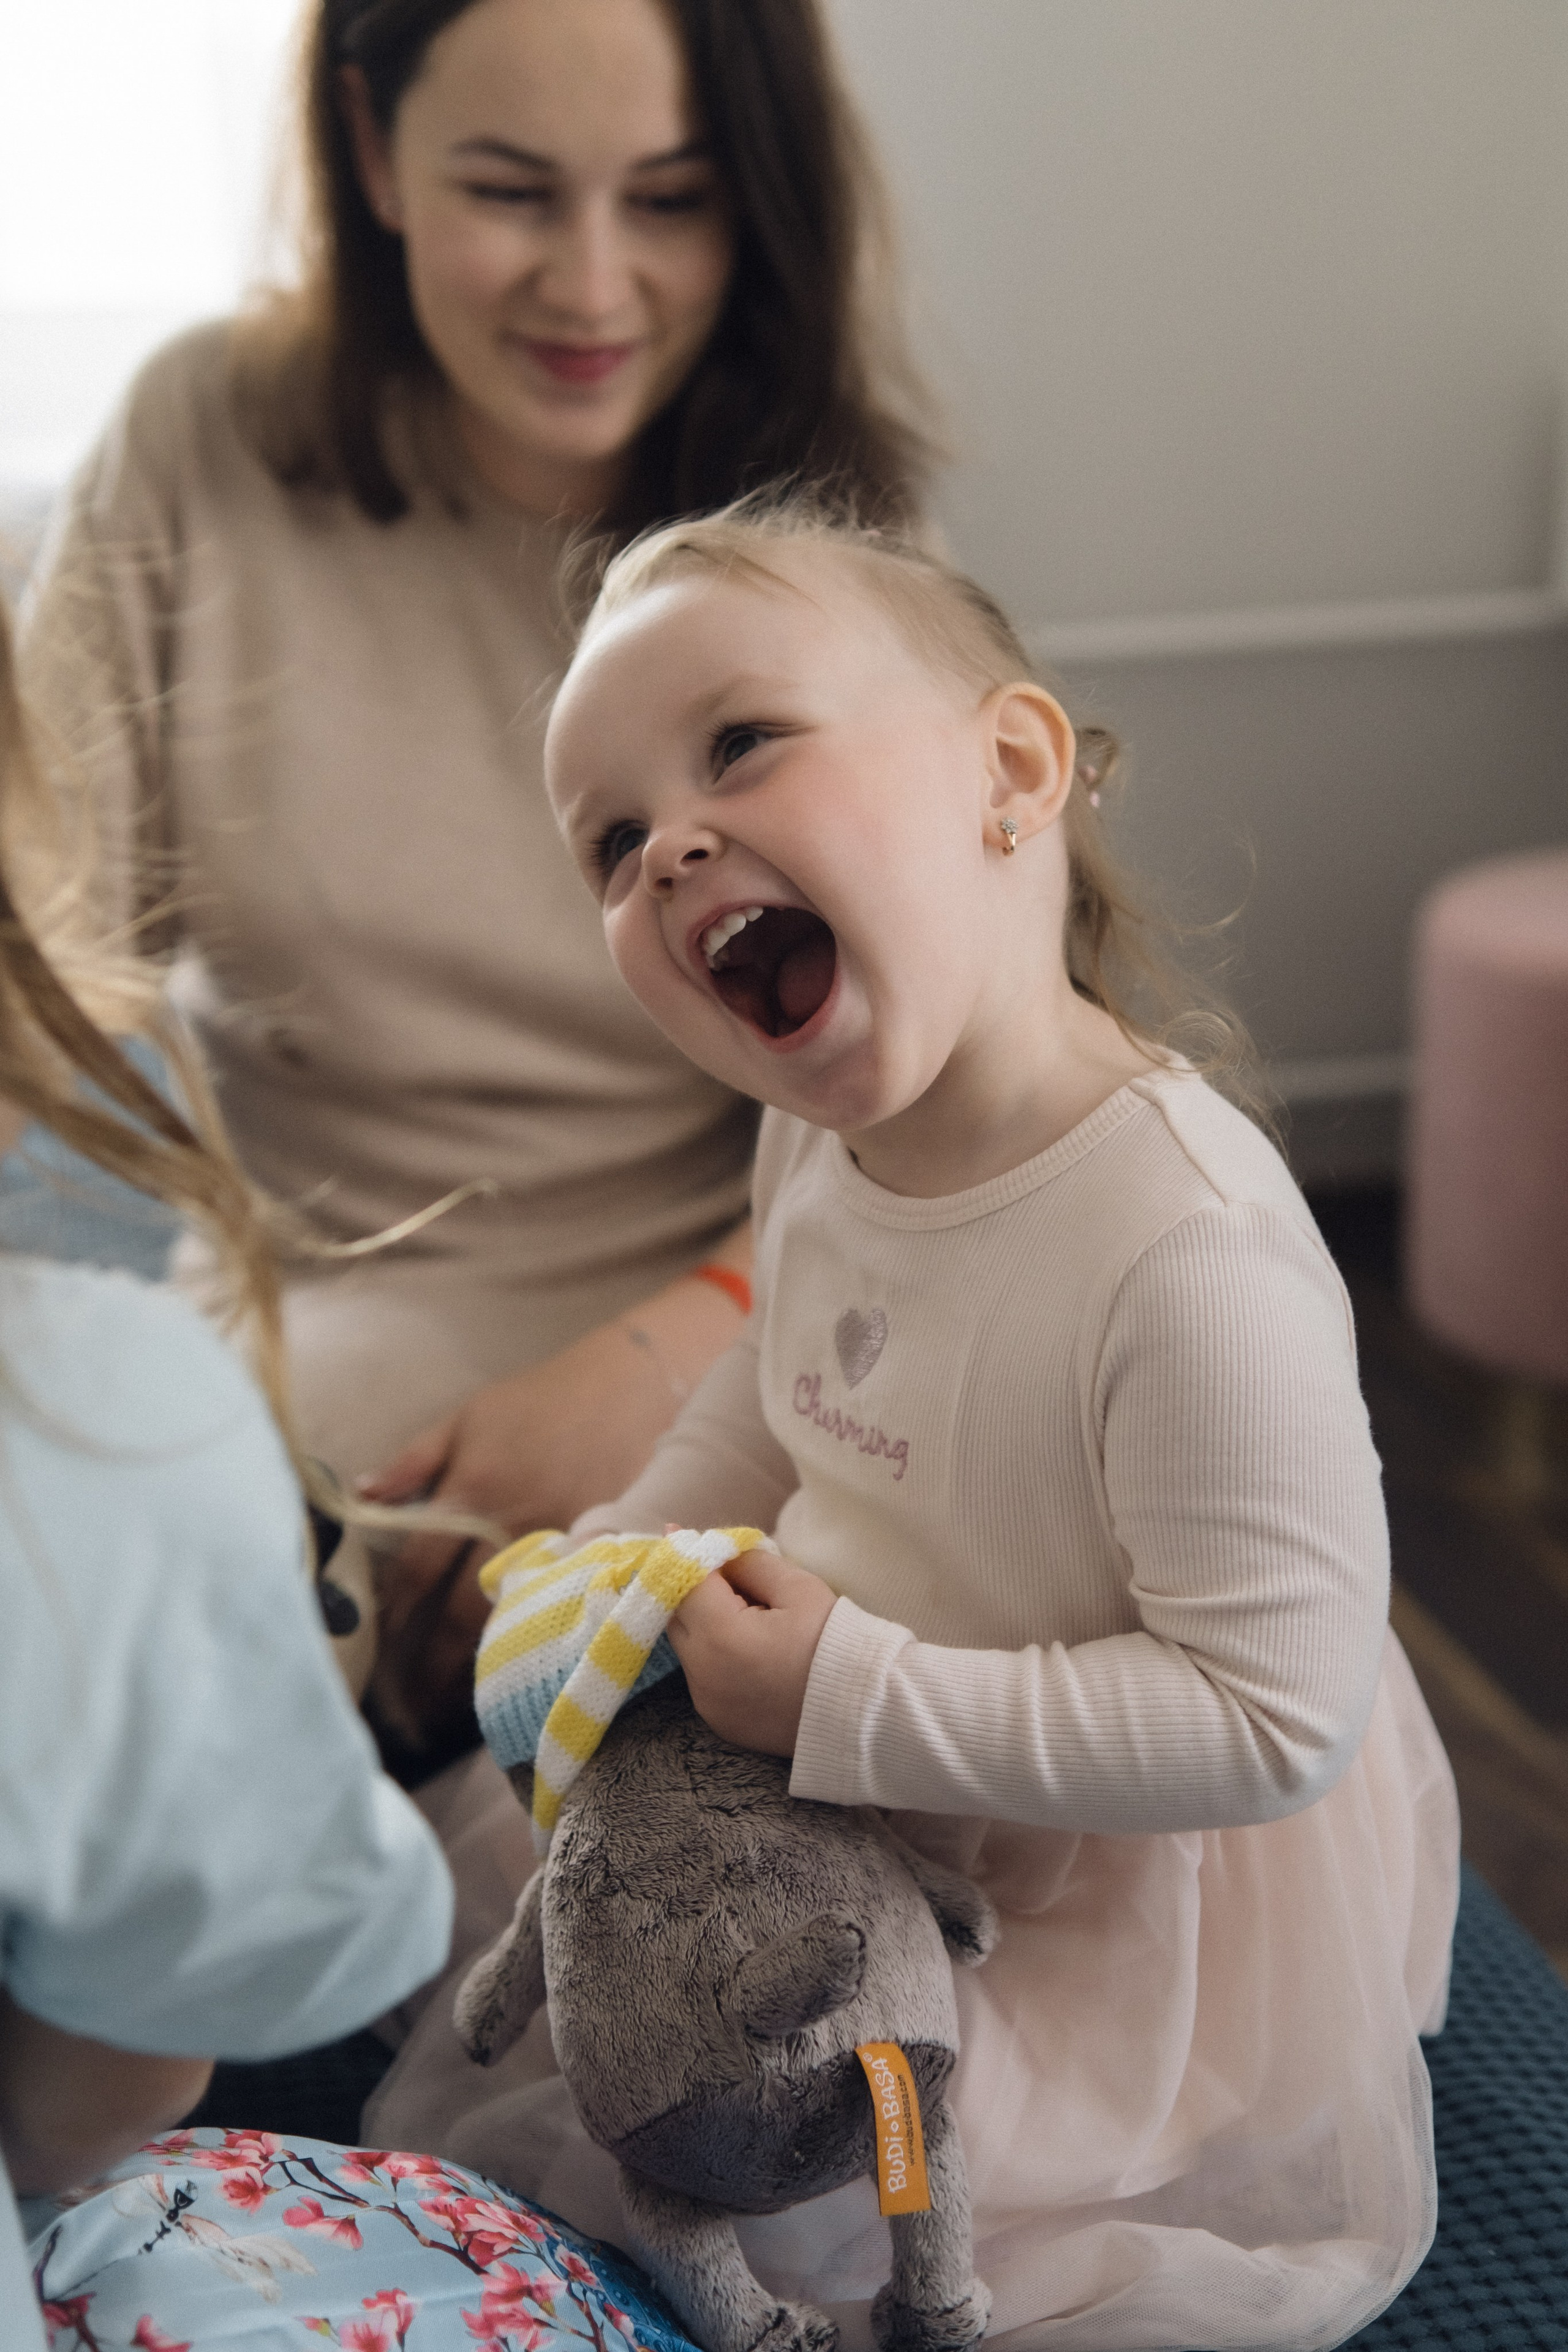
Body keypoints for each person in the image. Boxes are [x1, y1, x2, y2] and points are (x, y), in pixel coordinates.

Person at [368, 499, 1461, 2352]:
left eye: (740, 743)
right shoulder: (815, 1128)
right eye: (615, 843)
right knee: (610, 2008)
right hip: (840, 1728)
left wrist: (854, 1699)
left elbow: (1270, 1721)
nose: (672, 846)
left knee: (841, 2210)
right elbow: (772, 1385)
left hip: (1102, 1835)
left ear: (1010, 772)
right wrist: (627, 1546)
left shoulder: (1184, 1253)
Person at [18, 0, 933, 1721]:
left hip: (787, 1307)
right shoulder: (196, 445)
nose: (592, 290)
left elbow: (965, 1082)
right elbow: (41, 956)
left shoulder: (830, 531)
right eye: (513, 192)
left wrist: (689, 1351)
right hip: (343, 1317)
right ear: (370, 148)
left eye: (670, 200)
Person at [0, 607, 697, 2352]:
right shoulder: (103, 1423)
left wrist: (676, 1348)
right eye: (610, 843)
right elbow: (106, 2087)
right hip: (330, 1298)